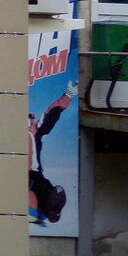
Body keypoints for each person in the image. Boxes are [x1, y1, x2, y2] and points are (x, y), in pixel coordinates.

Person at [29, 81, 75, 224]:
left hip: (33, 175)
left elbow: (49, 116)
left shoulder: (33, 132)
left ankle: (50, 208)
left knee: (41, 185)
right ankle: (48, 208)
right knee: (40, 186)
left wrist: (67, 96)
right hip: (29, 174)